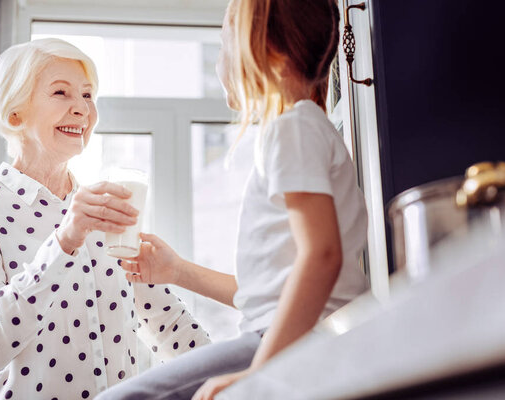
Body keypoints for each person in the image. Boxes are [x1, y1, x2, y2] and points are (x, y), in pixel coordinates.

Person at [95, 0, 369, 399]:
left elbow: (322, 256)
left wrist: (258, 372)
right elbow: (277, 289)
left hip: (296, 340)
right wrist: (177, 271)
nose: (220, 59)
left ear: (269, 53)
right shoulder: (307, 126)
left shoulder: (290, 128)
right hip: (307, 335)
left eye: (224, 44)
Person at [0, 38, 209, 400]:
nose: (82, 109)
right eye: (61, 93)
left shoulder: (104, 209)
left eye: (87, 95)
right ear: (14, 114)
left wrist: (244, 379)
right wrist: (64, 241)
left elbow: (166, 323)